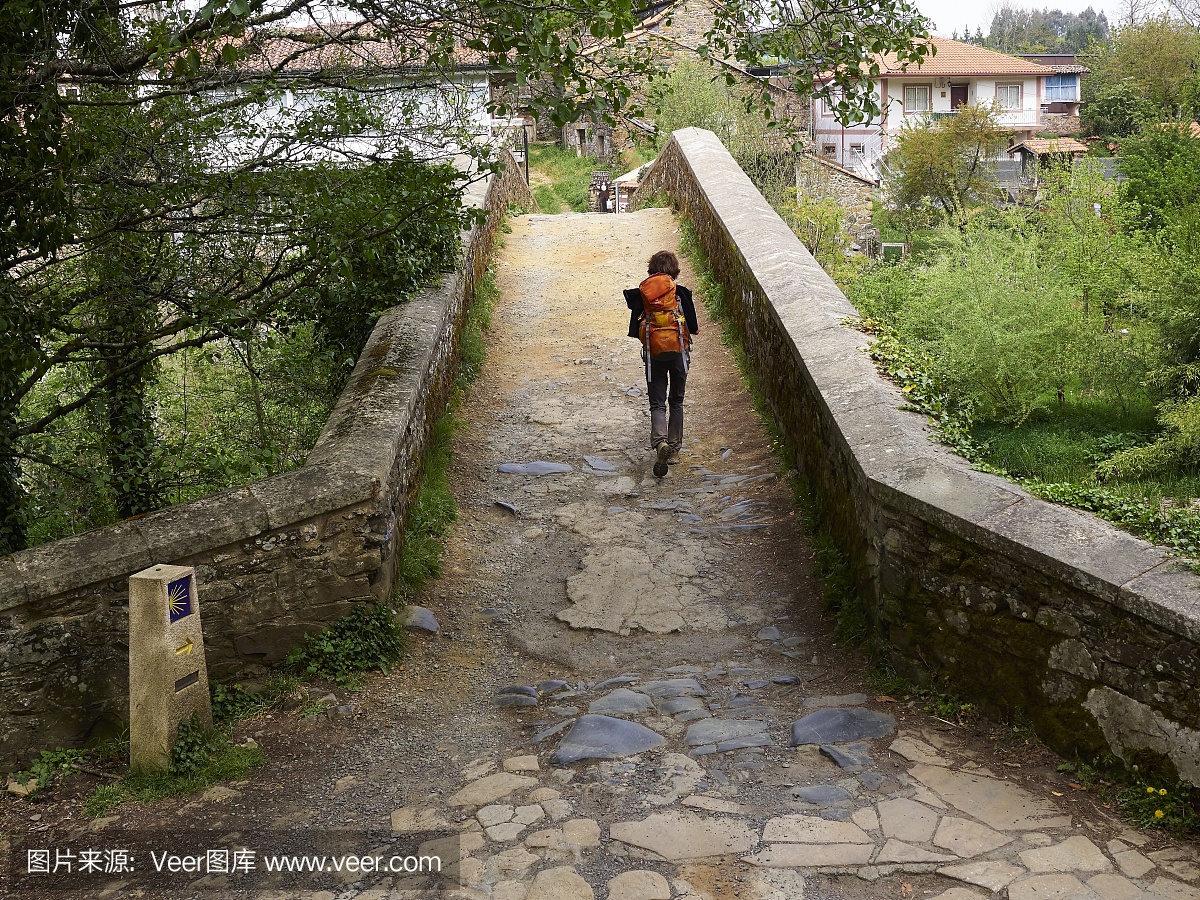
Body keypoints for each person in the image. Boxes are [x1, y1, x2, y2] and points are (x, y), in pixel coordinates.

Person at [624, 250, 699, 477]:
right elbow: (694, 327)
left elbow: (633, 330)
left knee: (657, 403)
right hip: (678, 354)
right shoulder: (681, 293)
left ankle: (660, 443)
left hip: (654, 356)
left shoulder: (643, 295)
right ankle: (674, 449)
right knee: (676, 400)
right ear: (674, 270)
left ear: (652, 269)